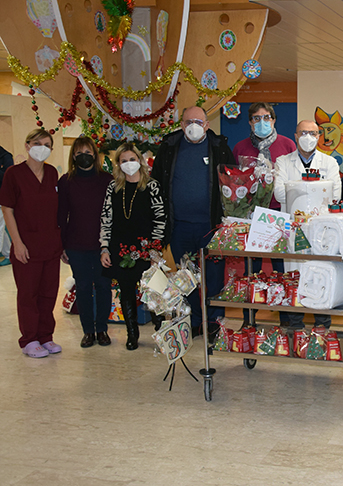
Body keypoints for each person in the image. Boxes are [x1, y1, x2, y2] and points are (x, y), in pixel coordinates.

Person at [151, 106, 234, 337]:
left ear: (207, 124)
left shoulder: (220, 147)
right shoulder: (169, 148)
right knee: (185, 277)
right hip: (179, 227)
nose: (194, 126)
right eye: (189, 122)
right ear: (181, 124)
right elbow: (156, 183)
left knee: (214, 278)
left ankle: (215, 322)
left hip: (211, 227)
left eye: (198, 121)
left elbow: (233, 185)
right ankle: (195, 320)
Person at [274, 120, 342, 329]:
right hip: (294, 232)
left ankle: (322, 327)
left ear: (319, 136)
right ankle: (295, 327)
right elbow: (278, 193)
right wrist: (315, 191)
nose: (308, 137)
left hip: (322, 232)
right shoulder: (283, 162)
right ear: (295, 136)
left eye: (313, 133)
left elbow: (334, 196)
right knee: (295, 277)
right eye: (303, 132)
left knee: (322, 277)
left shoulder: (329, 163)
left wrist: (297, 191)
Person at [232, 103, 296, 326]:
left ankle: (287, 318)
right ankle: (248, 318)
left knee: (282, 268)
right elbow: (236, 183)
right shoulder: (240, 148)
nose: (262, 122)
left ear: (274, 119)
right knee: (252, 270)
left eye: (266, 117)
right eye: (257, 118)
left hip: (278, 213)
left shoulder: (288, 145)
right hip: (252, 215)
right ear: (250, 122)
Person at [0, 129, 62, 358]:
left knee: (48, 293)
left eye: (47, 145)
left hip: (51, 243)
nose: (42, 148)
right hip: (26, 245)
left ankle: (46, 336)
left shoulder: (53, 173)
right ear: (27, 146)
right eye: (37, 143)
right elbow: (7, 209)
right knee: (28, 294)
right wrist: (16, 242)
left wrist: (62, 243)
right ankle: (29, 339)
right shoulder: (13, 174)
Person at [100, 144, 167, 350]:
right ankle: (132, 334)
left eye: (132, 159)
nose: (129, 164)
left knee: (154, 292)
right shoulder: (113, 187)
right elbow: (106, 218)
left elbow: (160, 218)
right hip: (120, 248)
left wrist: (155, 250)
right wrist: (104, 248)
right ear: (118, 164)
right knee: (126, 291)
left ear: (139, 160)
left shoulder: (152, 186)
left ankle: (162, 332)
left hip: (147, 248)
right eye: (123, 160)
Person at [58, 137, 114, 348]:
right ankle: (88, 331)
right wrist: (61, 244)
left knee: (103, 286)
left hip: (102, 245)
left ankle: (102, 330)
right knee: (82, 288)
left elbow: (113, 215)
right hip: (76, 244)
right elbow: (61, 215)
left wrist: (110, 245)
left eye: (88, 152)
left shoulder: (107, 180)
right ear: (74, 155)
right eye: (80, 152)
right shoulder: (66, 181)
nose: (84, 156)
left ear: (95, 154)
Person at [0, 144, 15, 266]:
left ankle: (7, 253)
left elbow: (7, 177)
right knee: (3, 230)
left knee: (1, 228)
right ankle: (7, 253)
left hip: (2, 198)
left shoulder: (6, 157)